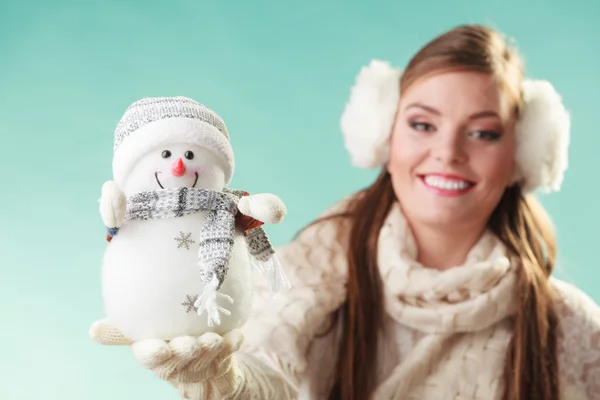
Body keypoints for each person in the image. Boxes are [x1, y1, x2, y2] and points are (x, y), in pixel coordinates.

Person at [90, 24, 600, 400]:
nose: (449, 152)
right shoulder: (306, 275)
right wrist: (223, 381)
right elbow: (265, 373)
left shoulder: (572, 328)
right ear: (385, 133)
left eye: (484, 132)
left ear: (525, 154)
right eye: (423, 124)